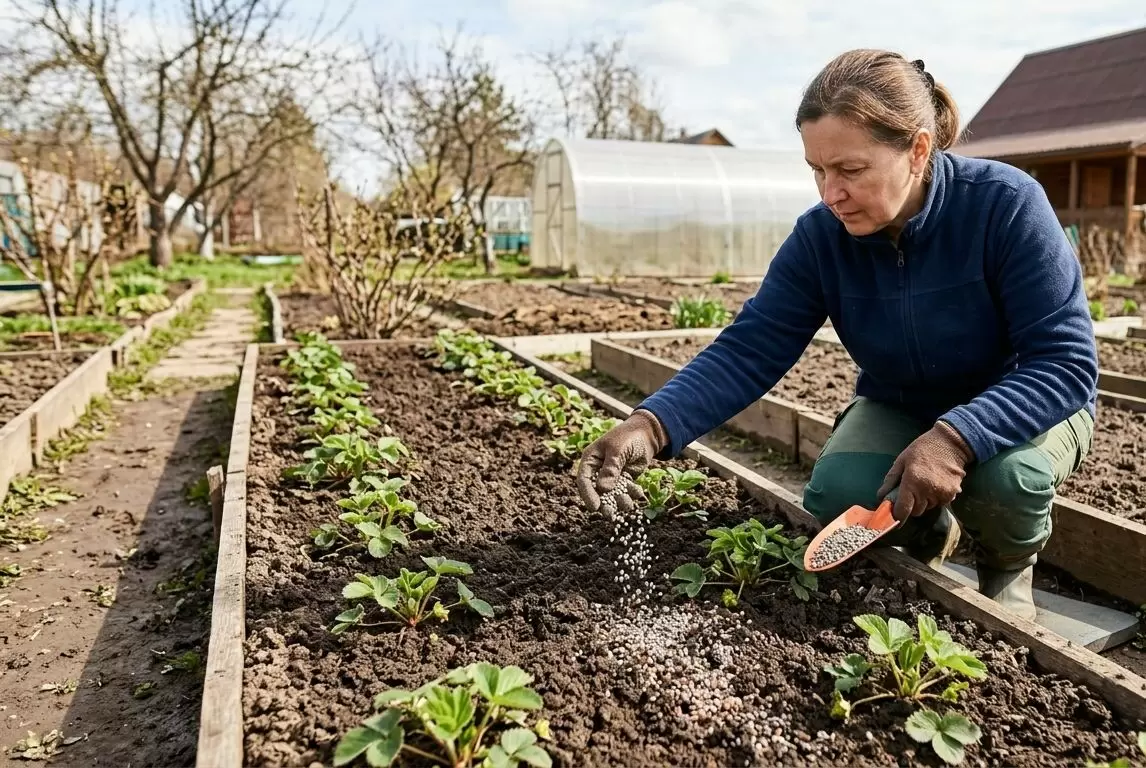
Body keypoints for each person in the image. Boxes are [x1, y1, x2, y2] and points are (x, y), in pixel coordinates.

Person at [574, 49, 1098, 621]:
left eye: (850, 170)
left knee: (1005, 482)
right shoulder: (822, 238)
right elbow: (752, 346)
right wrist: (651, 425)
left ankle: (1007, 566)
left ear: (918, 150)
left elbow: (1064, 362)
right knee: (839, 493)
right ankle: (928, 532)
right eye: (817, 170)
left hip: (1023, 400)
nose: (830, 193)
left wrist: (956, 438)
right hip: (905, 402)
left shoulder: (1004, 205)